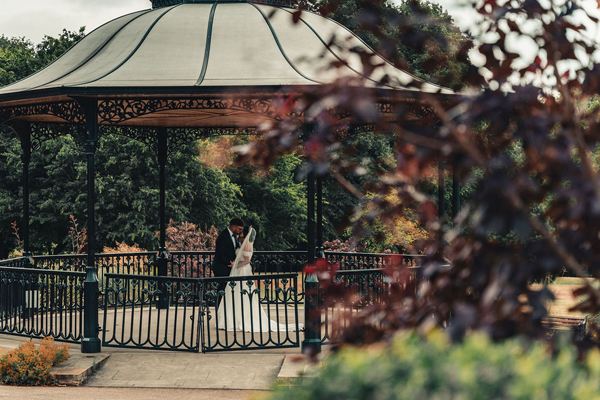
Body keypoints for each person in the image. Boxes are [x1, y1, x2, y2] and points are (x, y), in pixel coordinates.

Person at [216, 226, 302, 332]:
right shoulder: (241, 242)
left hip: (243, 270)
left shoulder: (247, 245)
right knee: (233, 293)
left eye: (242, 231)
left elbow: (247, 260)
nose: (240, 232)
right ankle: (232, 319)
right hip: (237, 271)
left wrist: (235, 265)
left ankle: (241, 319)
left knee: (243, 294)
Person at [212, 218, 244, 302]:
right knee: (222, 290)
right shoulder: (223, 236)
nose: (240, 231)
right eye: (239, 229)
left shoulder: (233, 236)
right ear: (234, 227)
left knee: (228, 290)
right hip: (221, 268)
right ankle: (220, 310)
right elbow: (220, 254)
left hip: (228, 267)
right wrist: (230, 263)